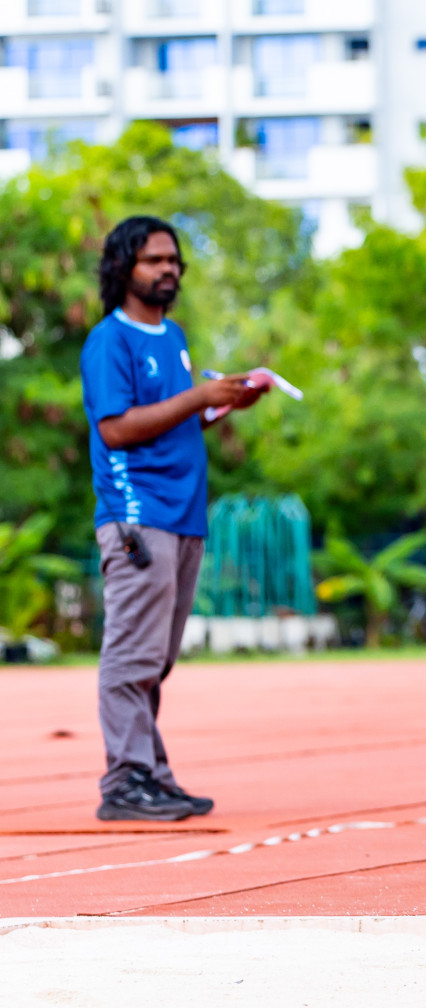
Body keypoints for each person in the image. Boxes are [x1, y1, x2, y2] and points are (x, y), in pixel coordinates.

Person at [80, 216, 265, 822]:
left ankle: (149, 774)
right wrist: (197, 397)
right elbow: (116, 428)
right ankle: (125, 781)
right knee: (132, 654)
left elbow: (175, 421)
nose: (168, 270)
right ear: (123, 268)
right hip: (137, 515)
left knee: (156, 657)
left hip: (183, 516)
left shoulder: (174, 335)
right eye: (155, 260)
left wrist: (224, 405)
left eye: (175, 261)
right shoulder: (111, 341)